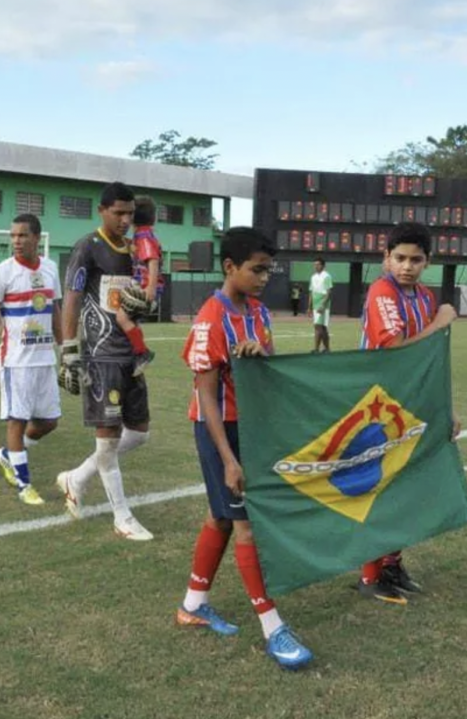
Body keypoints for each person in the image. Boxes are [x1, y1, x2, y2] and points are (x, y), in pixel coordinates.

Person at [177, 226, 313, 670]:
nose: (263, 278)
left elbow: (265, 372)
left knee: (220, 515)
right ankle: (273, 627)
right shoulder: (209, 319)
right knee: (246, 524)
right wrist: (230, 460)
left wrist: (259, 356)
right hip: (220, 430)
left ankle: (193, 605)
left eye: (268, 271)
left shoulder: (258, 312)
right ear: (229, 267)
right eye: (256, 270)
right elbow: (207, 396)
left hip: (251, 424)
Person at [357, 221, 459, 604]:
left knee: (408, 487)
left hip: (412, 403)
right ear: (386, 258)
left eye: (416, 259)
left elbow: (432, 359)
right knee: (381, 488)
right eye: (399, 258)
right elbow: (398, 349)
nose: (406, 266)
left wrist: (447, 407)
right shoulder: (382, 291)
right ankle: (369, 576)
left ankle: (391, 564)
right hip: (378, 405)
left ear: (427, 262)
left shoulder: (425, 297)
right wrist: (440, 322)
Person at [55, 181, 154, 541]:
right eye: (119, 213)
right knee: (108, 439)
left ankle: (76, 478)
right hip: (101, 357)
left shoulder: (134, 248)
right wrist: (68, 351)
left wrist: (147, 303)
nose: (126, 219)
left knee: (139, 433)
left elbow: (140, 294)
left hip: (131, 355)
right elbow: (71, 297)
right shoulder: (88, 247)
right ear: (102, 211)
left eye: (130, 213)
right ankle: (122, 517)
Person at [0, 214, 62, 505]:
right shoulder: (2, 271)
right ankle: (24, 484)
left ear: (36, 238)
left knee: (50, 421)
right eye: (13, 236)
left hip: (45, 359)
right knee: (17, 421)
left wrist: (66, 347)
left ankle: (7, 455)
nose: (16, 241)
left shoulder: (51, 268)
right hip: (15, 361)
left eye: (22, 236)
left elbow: (54, 311)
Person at [112, 195, 161, 376]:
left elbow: (153, 261)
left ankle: (142, 352)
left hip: (145, 288)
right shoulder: (142, 234)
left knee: (121, 318)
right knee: (130, 320)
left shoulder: (143, 236)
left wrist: (150, 288)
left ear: (132, 216)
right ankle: (138, 350)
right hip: (143, 286)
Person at [307, 257, 332, 352]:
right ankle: (327, 349)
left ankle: (316, 349)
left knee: (317, 326)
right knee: (323, 328)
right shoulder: (313, 277)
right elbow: (311, 292)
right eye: (315, 264)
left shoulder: (326, 276)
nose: (316, 266)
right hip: (315, 304)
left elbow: (329, 292)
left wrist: (323, 305)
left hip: (323, 305)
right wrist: (309, 307)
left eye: (318, 264)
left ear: (323, 266)